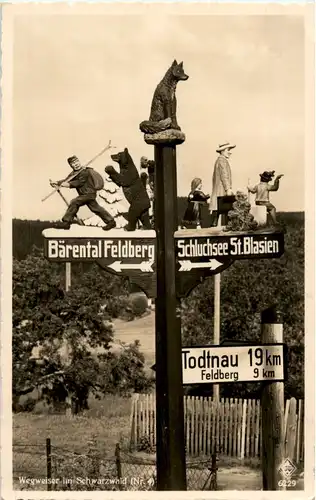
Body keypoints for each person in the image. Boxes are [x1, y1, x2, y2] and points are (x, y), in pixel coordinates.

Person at [50, 155, 115, 230]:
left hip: (89, 193)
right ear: (71, 165)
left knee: (74, 202)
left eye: (76, 161)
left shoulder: (84, 171)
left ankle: (66, 222)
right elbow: (67, 180)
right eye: (73, 163)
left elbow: (79, 182)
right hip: (84, 194)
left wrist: (66, 185)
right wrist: (57, 182)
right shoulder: (73, 173)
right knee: (96, 208)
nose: (76, 164)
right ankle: (111, 222)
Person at [209, 142, 235, 226]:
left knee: (217, 209)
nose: (230, 152)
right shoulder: (222, 161)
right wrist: (228, 188)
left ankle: (214, 225)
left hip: (219, 189)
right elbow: (224, 175)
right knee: (225, 208)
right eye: (228, 150)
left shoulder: (220, 160)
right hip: (222, 190)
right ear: (223, 151)